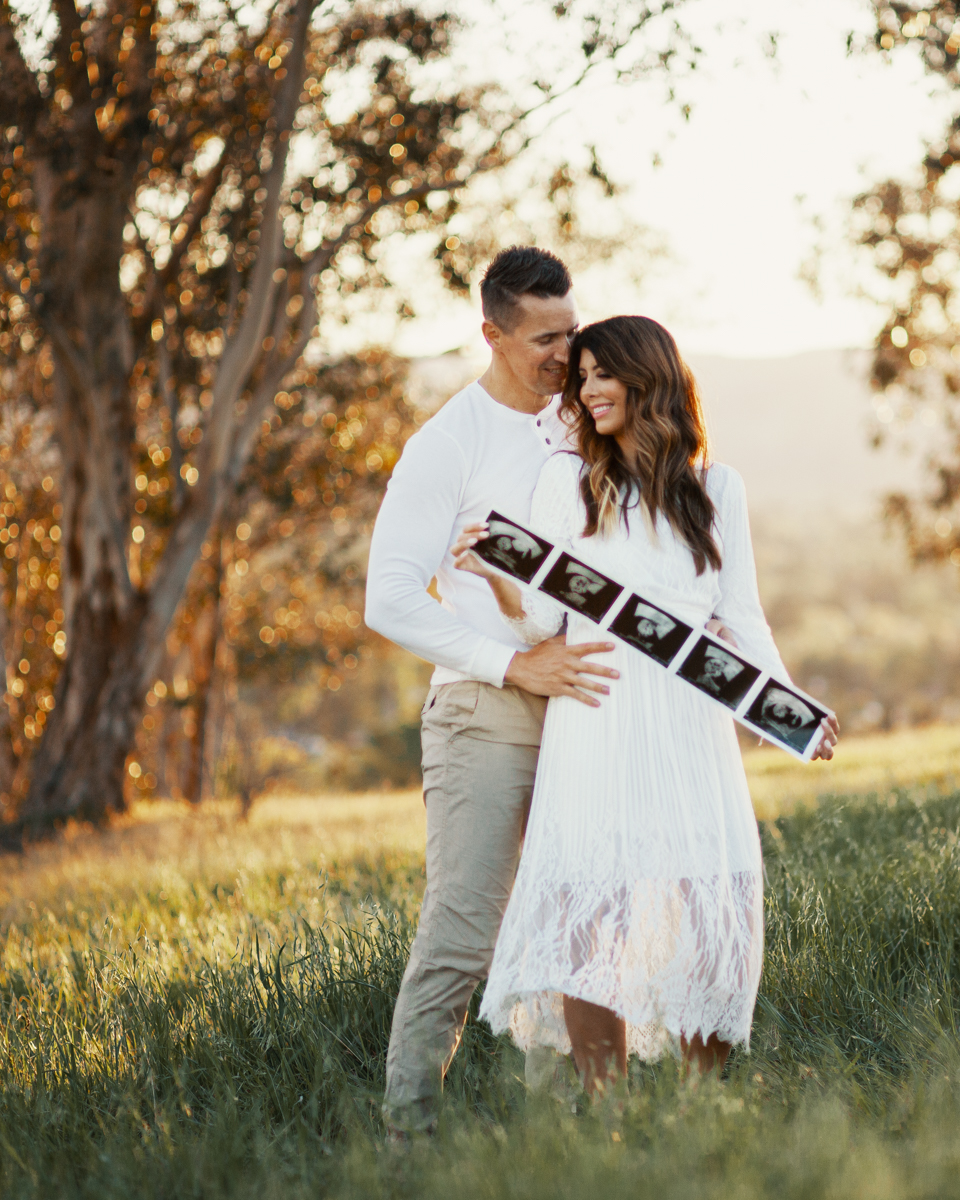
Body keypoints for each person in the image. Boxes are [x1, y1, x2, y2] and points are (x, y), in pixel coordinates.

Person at [450, 315, 840, 1094]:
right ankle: (609, 1111)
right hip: (600, 713)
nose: (587, 390)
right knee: (595, 911)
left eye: (602, 374)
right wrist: (495, 574)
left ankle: (703, 1111)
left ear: (649, 377)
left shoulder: (714, 490)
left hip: (691, 724)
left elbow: (743, 616)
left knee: (705, 906)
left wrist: (790, 707)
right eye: (581, 377)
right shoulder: (569, 482)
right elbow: (541, 616)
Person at [363, 247, 619, 1140]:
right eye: (545, 338)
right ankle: (409, 1141)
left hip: (583, 714)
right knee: (463, 934)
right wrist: (513, 666)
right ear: (493, 335)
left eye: (571, 330)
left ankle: (569, 1139)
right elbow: (388, 596)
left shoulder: (586, 422)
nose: (565, 351)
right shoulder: (447, 443)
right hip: (484, 714)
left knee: (577, 931)